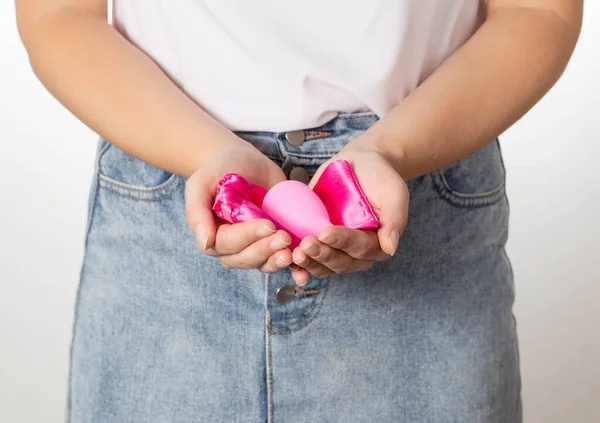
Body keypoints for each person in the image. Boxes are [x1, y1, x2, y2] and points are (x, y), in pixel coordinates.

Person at [17, 1, 582, 422]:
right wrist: (207, 153)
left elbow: (537, 12)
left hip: (419, 193)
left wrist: (391, 151)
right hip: (168, 207)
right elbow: (59, 15)